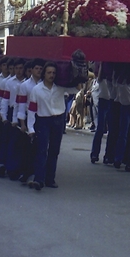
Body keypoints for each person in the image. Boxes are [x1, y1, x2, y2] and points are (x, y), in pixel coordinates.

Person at [27, 61, 77, 190]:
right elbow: (32, 110)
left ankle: (50, 179)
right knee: (41, 150)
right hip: (43, 121)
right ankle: (39, 179)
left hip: (58, 121)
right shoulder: (36, 90)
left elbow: (76, 88)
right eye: (49, 72)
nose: (51, 75)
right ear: (44, 73)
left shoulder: (60, 87)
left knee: (54, 151)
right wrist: (30, 128)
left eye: (54, 73)